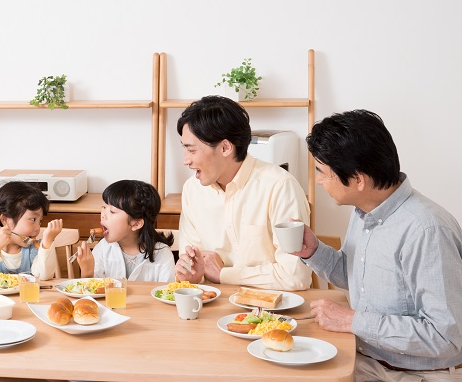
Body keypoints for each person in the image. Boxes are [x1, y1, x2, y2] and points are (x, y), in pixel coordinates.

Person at [293, 109, 462, 380]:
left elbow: (446, 337)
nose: (319, 180)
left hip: (420, 374)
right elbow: (356, 278)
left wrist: (353, 320)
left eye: (322, 172)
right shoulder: (365, 210)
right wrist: (313, 251)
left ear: (358, 179)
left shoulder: (427, 230)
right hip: (369, 363)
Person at [173, 96, 312, 290]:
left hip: (274, 313)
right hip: (215, 309)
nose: (185, 160)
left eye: (192, 150)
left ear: (225, 147)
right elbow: (196, 266)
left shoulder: (280, 186)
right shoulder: (192, 189)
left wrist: (223, 274)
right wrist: (194, 275)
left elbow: (295, 276)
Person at [76, 180, 175, 282]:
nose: (103, 215)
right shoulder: (103, 248)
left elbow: (167, 294)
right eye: (104, 207)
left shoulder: (163, 254)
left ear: (136, 224)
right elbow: (89, 293)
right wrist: (87, 272)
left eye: (112, 211)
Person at [0, 181, 62, 281]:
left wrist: (47, 243)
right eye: (33, 219)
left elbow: (44, 276)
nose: (37, 228)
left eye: (40, 221)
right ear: (5, 220)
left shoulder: (35, 249)